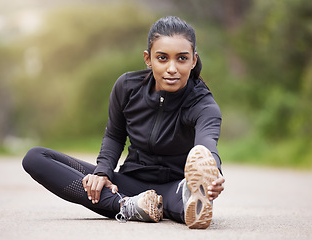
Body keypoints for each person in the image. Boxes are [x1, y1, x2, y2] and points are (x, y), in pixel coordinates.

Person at [22, 16, 225, 229]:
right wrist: (102, 172)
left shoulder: (203, 104)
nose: (172, 68)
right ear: (148, 59)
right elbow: (114, 135)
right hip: (128, 184)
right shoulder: (128, 87)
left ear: (193, 60)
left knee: (185, 200)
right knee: (35, 157)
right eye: (162, 58)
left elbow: (207, 145)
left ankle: (182, 199)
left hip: (173, 187)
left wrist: (212, 173)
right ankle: (128, 205)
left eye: (182, 59)